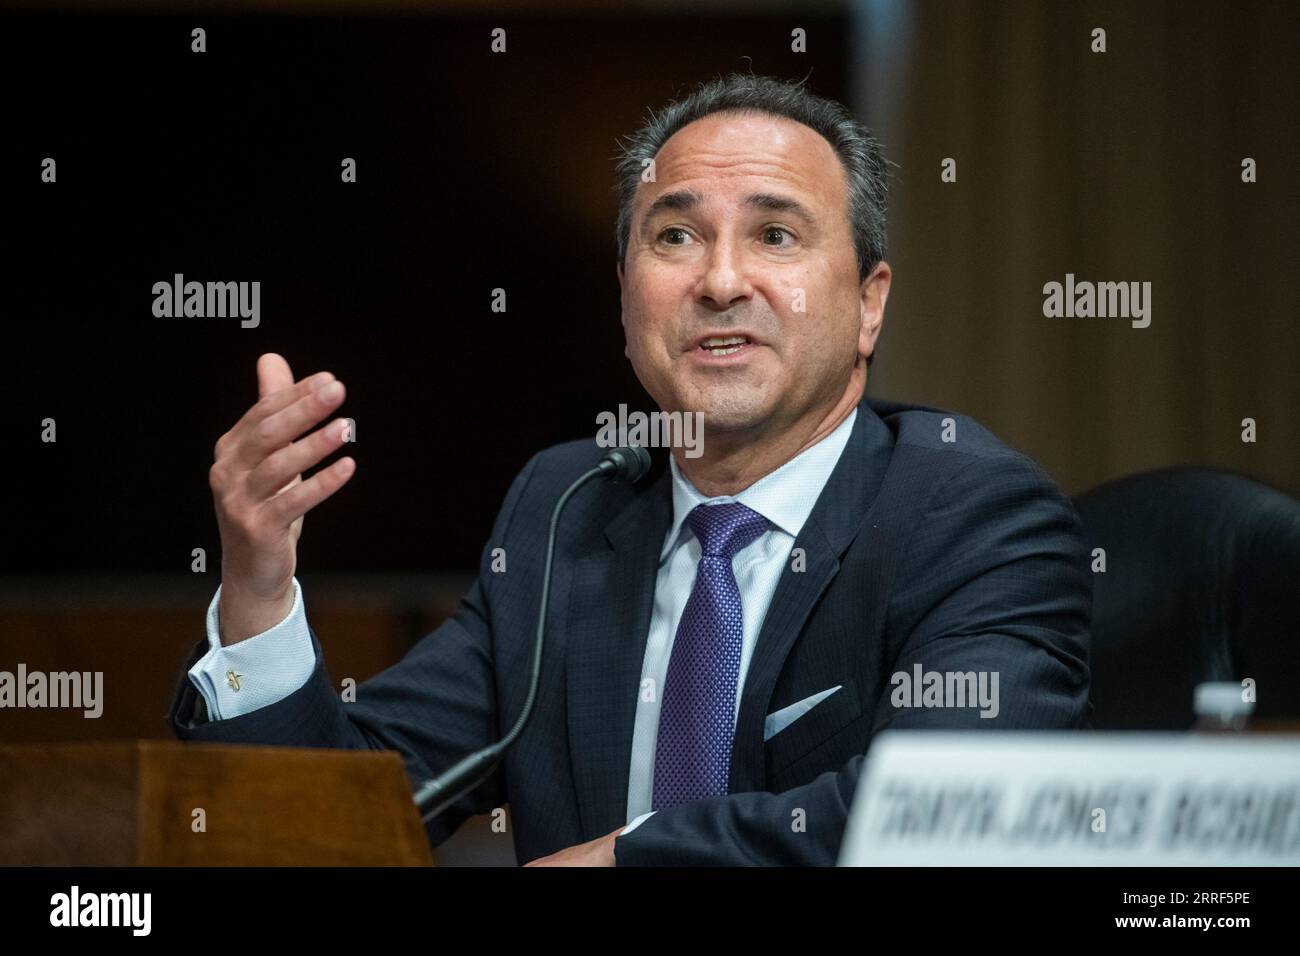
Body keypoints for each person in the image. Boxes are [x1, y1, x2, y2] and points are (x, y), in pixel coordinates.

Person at [169, 74, 1091, 866]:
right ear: (624, 298)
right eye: (675, 237)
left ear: (868, 305)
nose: (721, 280)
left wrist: (625, 858)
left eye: (775, 236)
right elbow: (325, 822)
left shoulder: (972, 514)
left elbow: (952, 816)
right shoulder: (568, 511)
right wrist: (256, 589)